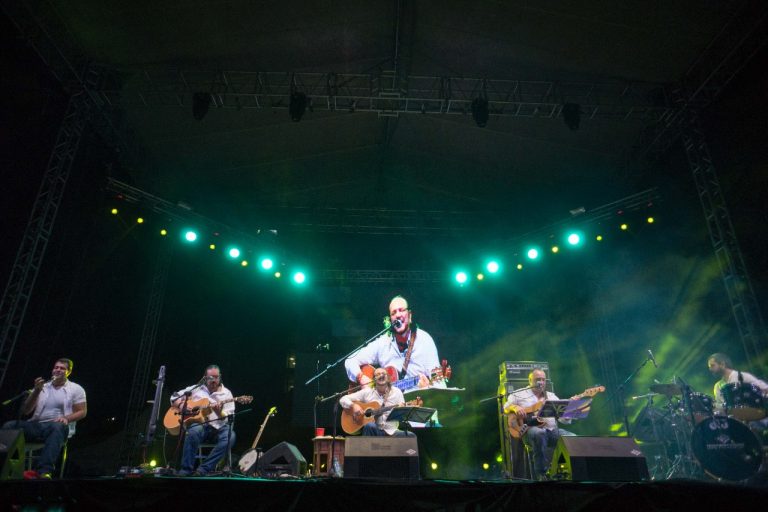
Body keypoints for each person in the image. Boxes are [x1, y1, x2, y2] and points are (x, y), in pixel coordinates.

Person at [2, 358, 87, 479]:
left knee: (56, 426)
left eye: (62, 368)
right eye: (56, 367)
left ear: (68, 372)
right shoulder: (43, 387)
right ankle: (4, 467)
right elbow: (26, 411)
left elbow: (82, 412)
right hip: (37, 426)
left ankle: (43, 471)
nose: (58, 370)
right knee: (9, 425)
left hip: (57, 426)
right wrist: (36, 391)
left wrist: (66, 418)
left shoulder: (76, 389)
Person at [345, 295, 444, 392]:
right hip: (388, 406)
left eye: (401, 310)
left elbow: (438, 382)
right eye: (393, 313)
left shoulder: (424, 340)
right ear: (390, 320)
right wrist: (361, 378)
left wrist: (427, 389)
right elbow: (350, 360)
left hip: (417, 403)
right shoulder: (383, 343)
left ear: (409, 315)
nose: (398, 315)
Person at [502, 369, 572, 480]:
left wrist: (568, 411)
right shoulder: (519, 394)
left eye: (543, 380)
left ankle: (568, 472)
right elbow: (505, 407)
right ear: (530, 380)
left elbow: (564, 420)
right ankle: (541, 474)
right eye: (538, 379)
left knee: (571, 437)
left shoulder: (551, 396)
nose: (541, 382)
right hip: (530, 430)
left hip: (552, 431)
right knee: (540, 433)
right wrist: (515, 407)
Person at [170, 365, 236, 476]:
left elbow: (229, 417)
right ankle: (185, 470)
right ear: (205, 377)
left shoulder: (227, 393)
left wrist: (219, 412)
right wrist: (182, 406)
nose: (214, 380)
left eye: (216, 377)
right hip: (200, 426)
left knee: (231, 436)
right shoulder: (196, 389)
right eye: (211, 377)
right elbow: (174, 397)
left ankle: (203, 470)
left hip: (217, 429)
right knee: (194, 430)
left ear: (220, 377)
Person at [339, 367, 414, 436]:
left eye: (383, 374)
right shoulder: (367, 392)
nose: (381, 375)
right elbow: (343, 399)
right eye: (378, 374)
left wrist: (400, 411)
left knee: (411, 436)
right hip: (373, 428)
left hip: (390, 430)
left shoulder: (397, 392)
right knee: (370, 426)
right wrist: (353, 406)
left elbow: (402, 416)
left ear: (388, 378)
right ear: (374, 379)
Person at [707, 352, 768, 435]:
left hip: (757, 419)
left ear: (722, 364)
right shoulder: (717, 386)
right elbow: (720, 407)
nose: (710, 369)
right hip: (738, 424)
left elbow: (765, 389)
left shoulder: (742, 376)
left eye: (712, 365)